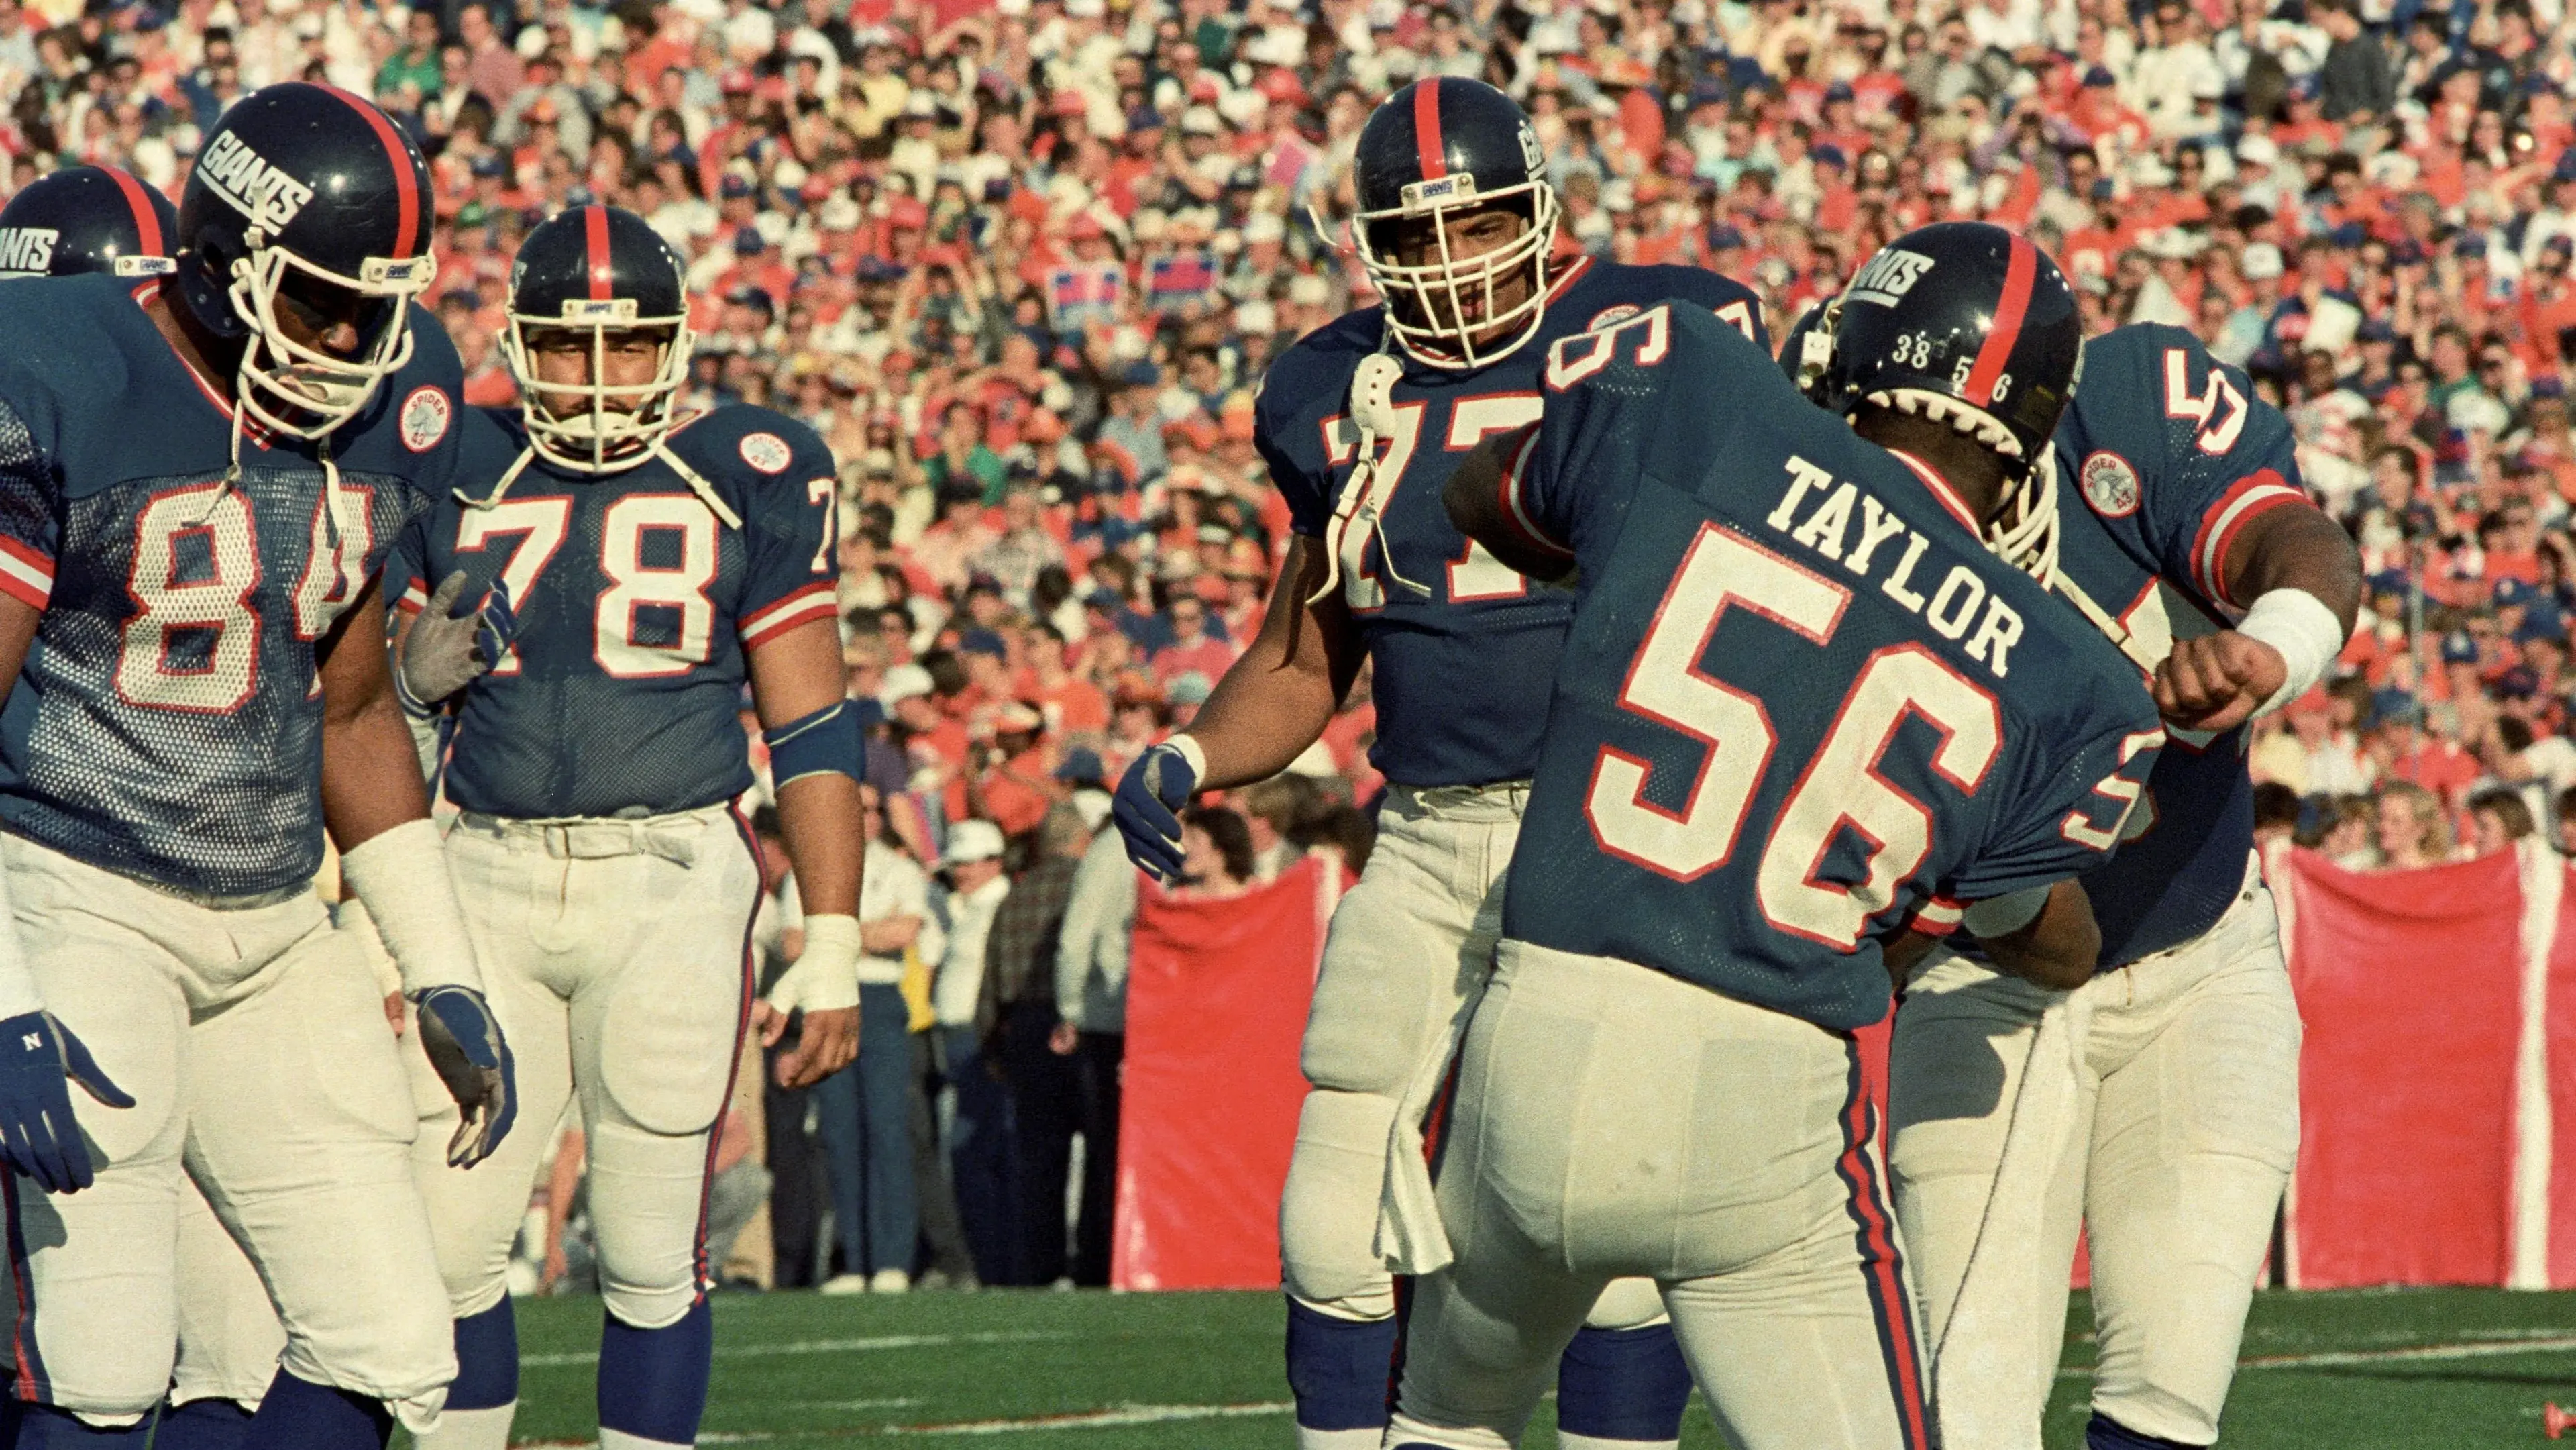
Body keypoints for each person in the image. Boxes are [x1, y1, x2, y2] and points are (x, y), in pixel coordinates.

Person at [1391, 223, 2163, 1449]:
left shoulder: (1696, 394)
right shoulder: (2073, 682)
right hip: (1766, 1096)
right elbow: (2054, 944)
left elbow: (1474, 490)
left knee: (1437, 1417)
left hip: (1535, 1031)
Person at [1109, 76, 1766, 1450]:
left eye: (1478, 227)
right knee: (1331, 1215)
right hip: (1423, 829)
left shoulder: (1671, 328)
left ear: (1538, 214)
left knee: (1615, 1214)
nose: (1450, 265)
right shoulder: (1329, 388)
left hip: (1621, 827)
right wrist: (1187, 752)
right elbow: (1305, 654)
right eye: (1414, 240)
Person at [0, 87, 514, 1450]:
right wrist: (2, 993)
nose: (353, 342)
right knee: (102, 1359)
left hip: (279, 921)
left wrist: (442, 963)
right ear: (225, 263)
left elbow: (351, 712)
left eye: (374, 307)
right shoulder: (67, 372)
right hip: (82, 890)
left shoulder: (391, 400)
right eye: (321, 304)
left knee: (394, 1344)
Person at [387, 203, 861, 1450]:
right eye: (568, 347)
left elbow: (810, 722)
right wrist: (405, 680)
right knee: (445, 1240)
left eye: (631, 347)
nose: (599, 379)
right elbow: (366, 707)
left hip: (668, 873)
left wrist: (835, 936)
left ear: (679, 344)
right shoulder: (452, 454)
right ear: (520, 341)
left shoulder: (748, 463)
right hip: (480, 870)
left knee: (651, 1246)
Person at [1849, 294, 2359, 1443]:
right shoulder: (1844, 536)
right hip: (1982, 984)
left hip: (2201, 955)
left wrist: (2271, 644)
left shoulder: (2125, 411)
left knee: (2169, 1392)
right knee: (1963, 1406)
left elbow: (2300, 539)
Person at [814, 782, 935, 1294]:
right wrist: (865, 932)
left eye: (870, 808)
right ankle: (854, 1260)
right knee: (841, 1132)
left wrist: (835, 934)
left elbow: (904, 931)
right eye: (853, 807)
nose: (862, 816)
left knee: (887, 1128)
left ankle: (892, 1258)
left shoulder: (900, 868)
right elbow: (790, 935)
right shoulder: (818, 862)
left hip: (881, 1000)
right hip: (829, 996)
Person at [1053, 801, 1134, 1288]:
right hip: (1113, 1018)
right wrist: (1071, 1009)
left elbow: (1076, 936)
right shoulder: (1115, 850)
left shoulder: (1114, 848)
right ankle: (1100, 1261)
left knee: (1111, 1146)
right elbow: (1077, 936)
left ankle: (1104, 1260)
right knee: (1109, 1145)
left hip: (1123, 1014)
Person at [2374, 780, 2453, 868]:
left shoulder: (2438, 872)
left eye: (2396, 821)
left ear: (2420, 828)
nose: (2384, 827)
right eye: (2381, 818)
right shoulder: (2373, 874)